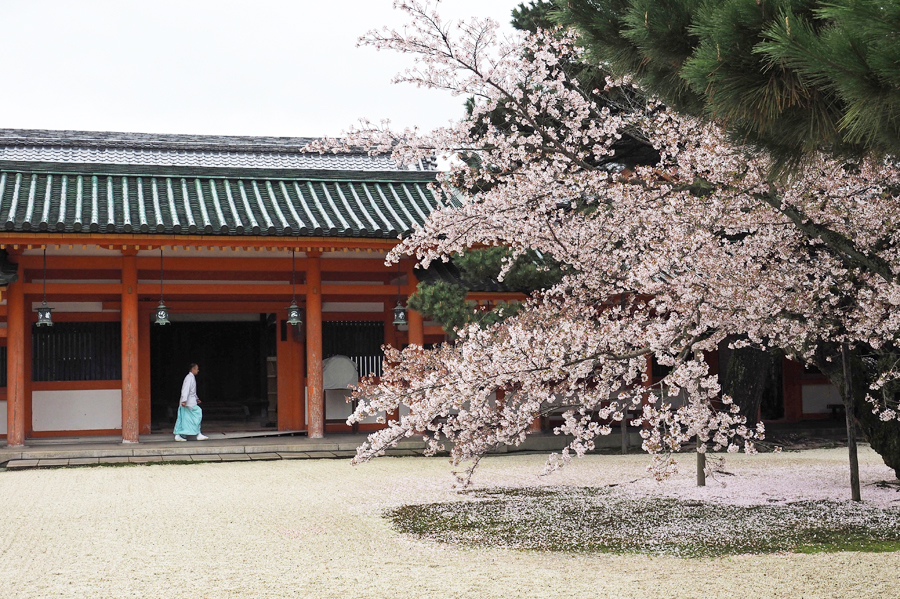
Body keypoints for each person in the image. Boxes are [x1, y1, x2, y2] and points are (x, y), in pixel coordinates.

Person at [174, 363, 208, 441]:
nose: (198, 370)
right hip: (188, 402)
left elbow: (192, 392)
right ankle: (197, 434)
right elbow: (186, 389)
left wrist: (196, 398)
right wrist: (184, 400)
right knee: (197, 413)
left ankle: (179, 434)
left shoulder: (191, 377)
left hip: (189, 401)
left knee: (184, 418)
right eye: (197, 369)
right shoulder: (189, 378)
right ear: (193, 369)